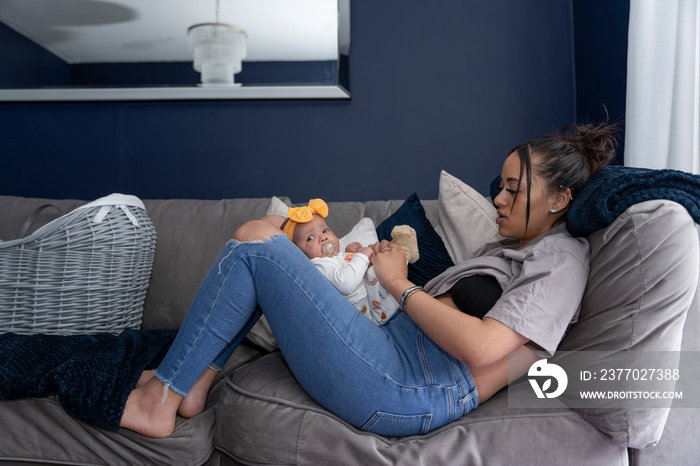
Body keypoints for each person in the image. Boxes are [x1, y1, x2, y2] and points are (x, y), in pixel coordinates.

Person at [120, 123, 617, 439]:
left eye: (514, 188)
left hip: (406, 386)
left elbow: (487, 348)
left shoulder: (562, 260)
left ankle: (160, 398)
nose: (499, 200)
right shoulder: (514, 248)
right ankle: (190, 383)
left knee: (257, 242)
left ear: (560, 199)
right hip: (389, 350)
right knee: (265, 246)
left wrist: (400, 283)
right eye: (501, 187)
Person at [278, 198, 401, 325]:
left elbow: (349, 268)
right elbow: (345, 283)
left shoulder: (336, 256)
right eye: (310, 238)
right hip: (370, 312)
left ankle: (398, 262)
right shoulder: (318, 264)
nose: (323, 238)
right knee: (378, 265)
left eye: (325, 231)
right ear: (299, 253)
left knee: (379, 259)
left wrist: (350, 253)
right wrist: (361, 256)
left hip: (375, 300)